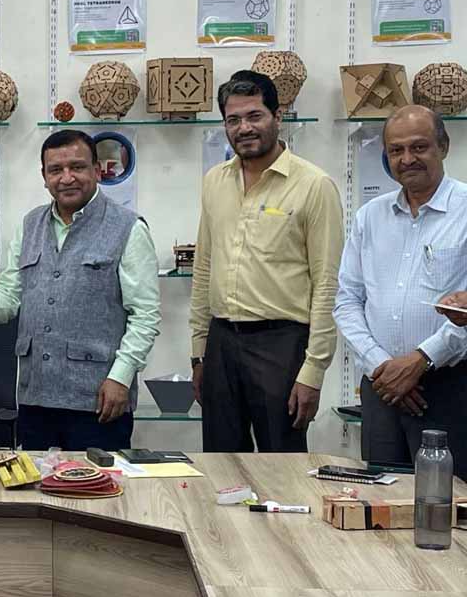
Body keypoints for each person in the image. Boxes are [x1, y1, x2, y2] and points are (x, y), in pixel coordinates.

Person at [0, 129, 161, 451]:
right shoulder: (30, 224)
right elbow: (8, 298)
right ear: (44, 177)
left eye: (77, 167)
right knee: (34, 479)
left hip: (99, 398)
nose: (67, 178)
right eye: (55, 170)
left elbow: (145, 316)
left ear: (97, 170)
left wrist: (121, 376)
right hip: (35, 398)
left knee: (98, 484)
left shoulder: (128, 227)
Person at [190, 70, 344, 453]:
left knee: (283, 465)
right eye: (233, 119)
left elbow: (328, 284)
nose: (244, 128)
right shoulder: (214, 181)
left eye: (254, 116)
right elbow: (204, 266)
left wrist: (313, 371)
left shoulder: (314, 185)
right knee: (222, 463)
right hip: (221, 342)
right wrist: (199, 352)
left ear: (278, 116)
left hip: (281, 345)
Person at [334, 105, 467, 477]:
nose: (407, 159)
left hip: (450, 387)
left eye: (419, 147)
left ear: (443, 146)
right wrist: (383, 367)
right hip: (381, 390)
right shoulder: (369, 217)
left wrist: (421, 360)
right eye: (396, 150)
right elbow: (347, 300)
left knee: (450, 501)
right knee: (381, 494)